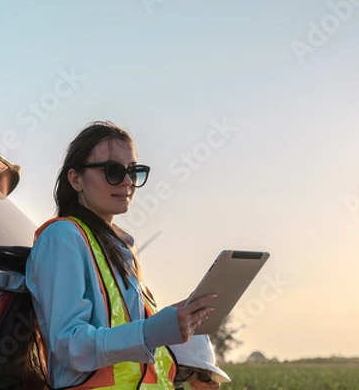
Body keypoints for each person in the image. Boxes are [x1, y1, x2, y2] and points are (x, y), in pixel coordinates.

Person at [25, 121, 216, 390]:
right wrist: (151, 331)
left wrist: (186, 371)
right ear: (75, 179)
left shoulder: (123, 247)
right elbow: (69, 346)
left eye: (133, 171)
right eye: (113, 171)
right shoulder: (63, 238)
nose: (127, 182)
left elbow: (131, 358)